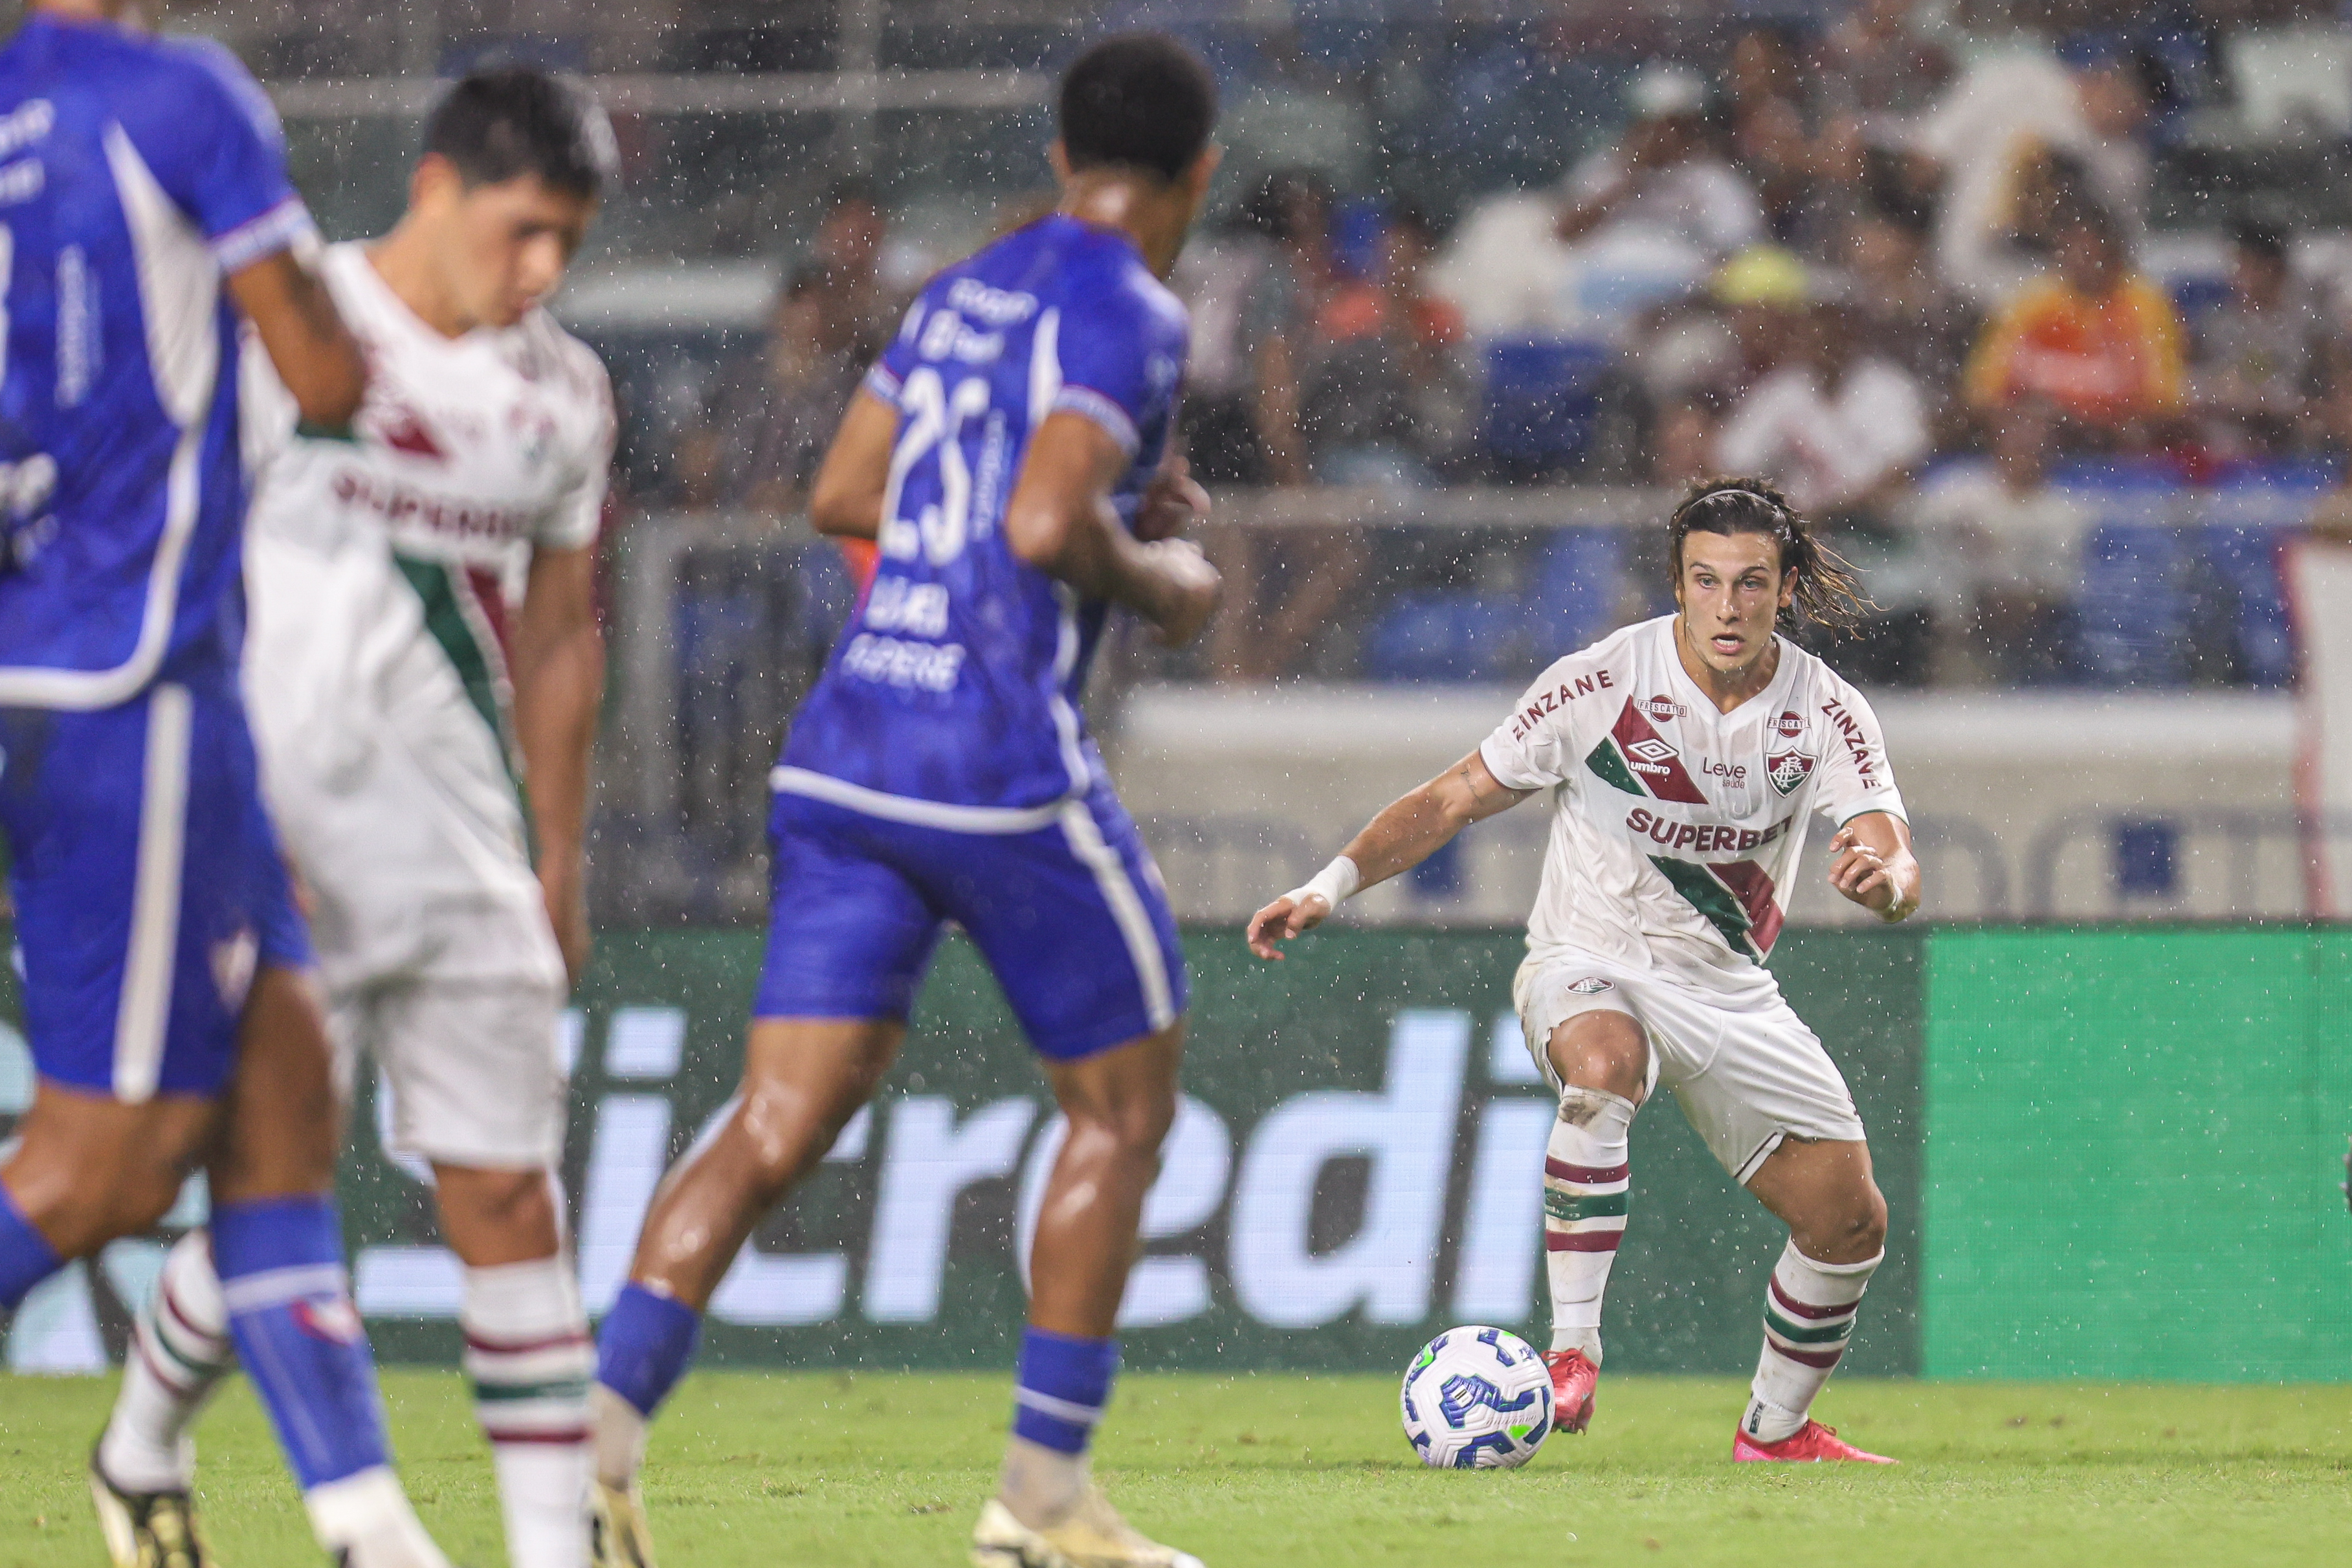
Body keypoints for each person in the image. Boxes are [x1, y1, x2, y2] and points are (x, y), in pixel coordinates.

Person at [583, 34, 1223, 1568]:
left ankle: (589, 1461)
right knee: (1122, 1112)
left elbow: (841, 495)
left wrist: (1041, 530)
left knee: (773, 1121)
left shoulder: (965, 289)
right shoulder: (1129, 307)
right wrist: (1165, 578)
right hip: (991, 764)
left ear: (1065, 155)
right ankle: (1042, 1504)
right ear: (1195, 176)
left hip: (847, 747)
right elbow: (1047, 515)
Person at [89, 67, 618, 1568]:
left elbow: (566, 629)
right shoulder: (284, 318)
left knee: (508, 1196)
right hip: (275, 837)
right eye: (523, 232)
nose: (543, 273)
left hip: (462, 843)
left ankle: (546, 1554)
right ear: (437, 187)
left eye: (569, 243)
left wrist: (561, 857)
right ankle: (145, 1446)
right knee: (275, 1194)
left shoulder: (565, 392)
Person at [0, 5, 462, 1566]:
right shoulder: (176, 96)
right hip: (129, 677)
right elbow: (327, 369)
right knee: (102, 1169)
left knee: (280, 1088)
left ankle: (365, 1528)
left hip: (73, 657)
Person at [1248, 478, 1921, 1464]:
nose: (1726, 606)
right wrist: (1329, 883)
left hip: (1727, 987)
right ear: (1676, 583)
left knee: (1849, 1220)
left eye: (1749, 583)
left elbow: (1888, 847)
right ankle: (1571, 1351)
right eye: (1705, 580)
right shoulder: (1602, 679)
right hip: (1587, 956)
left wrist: (1886, 884)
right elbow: (1455, 796)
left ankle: (1772, 1433)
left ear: (1784, 591)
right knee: (1602, 1064)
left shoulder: (1822, 707)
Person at [1965, 193, 2184, 443]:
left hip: (2115, 446)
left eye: (2090, 248)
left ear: (2113, 250)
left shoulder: (2146, 305)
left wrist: (2096, 423)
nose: (2081, 258)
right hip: (2042, 444)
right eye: (2071, 247)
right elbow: (1984, 395)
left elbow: (2165, 402)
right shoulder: (2029, 306)